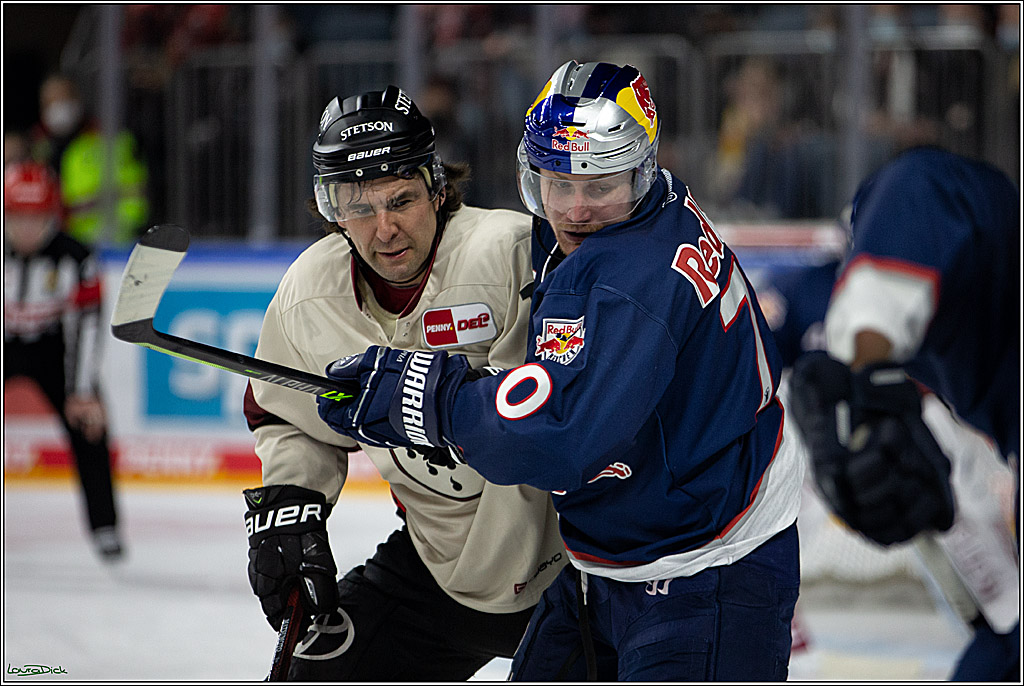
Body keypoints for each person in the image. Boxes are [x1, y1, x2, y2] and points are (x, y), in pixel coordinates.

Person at [317, 61, 805, 680]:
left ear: (640, 166)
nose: (574, 210)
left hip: (703, 577)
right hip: (612, 565)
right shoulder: (650, 212)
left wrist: (420, 397)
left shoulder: (632, 281)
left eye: (598, 185)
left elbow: (558, 438)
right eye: (556, 181)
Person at [241, 85, 566, 680]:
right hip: (439, 569)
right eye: (358, 207)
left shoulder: (510, 252)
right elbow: (286, 415)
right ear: (329, 208)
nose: (384, 229)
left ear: (438, 188)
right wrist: (291, 503)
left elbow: (561, 410)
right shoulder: (310, 295)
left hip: (570, 570)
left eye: (401, 200)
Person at [786, 146, 1020, 680]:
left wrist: (869, 379)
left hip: (945, 434)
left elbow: (920, 193)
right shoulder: (813, 287)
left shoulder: (927, 203)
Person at [3, 161, 124, 561]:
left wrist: (83, 390)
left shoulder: (77, 257)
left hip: (54, 348)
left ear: (52, 217)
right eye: (15, 218)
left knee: (90, 425)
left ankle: (105, 527)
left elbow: (87, 328)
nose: (25, 230)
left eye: (35, 219)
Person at [30, 73, 149, 245]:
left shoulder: (108, 139)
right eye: (50, 102)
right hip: (62, 245)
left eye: (63, 99)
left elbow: (135, 191)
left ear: (76, 99)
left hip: (115, 241)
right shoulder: (37, 148)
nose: (57, 107)